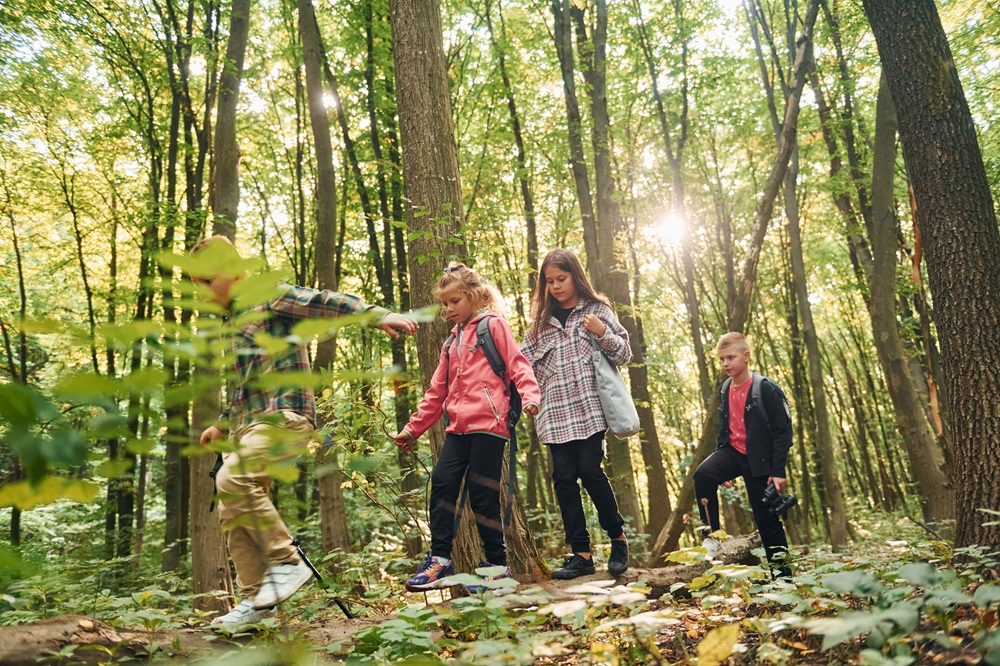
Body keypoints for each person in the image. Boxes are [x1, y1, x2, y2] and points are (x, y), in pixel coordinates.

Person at [191, 236, 417, 628]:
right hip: (246, 425)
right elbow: (245, 385)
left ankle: (287, 561)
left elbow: (324, 302)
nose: (203, 292)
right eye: (197, 284)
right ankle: (257, 604)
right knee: (231, 506)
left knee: (233, 478)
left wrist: (376, 314)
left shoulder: (268, 294)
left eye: (208, 281)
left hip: (285, 415)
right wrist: (221, 424)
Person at [392, 262, 540, 593]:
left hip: (489, 425)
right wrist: (412, 430)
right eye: (444, 304)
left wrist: (531, 396)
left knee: (482, 494)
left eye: (454, 301)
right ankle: (440, 560)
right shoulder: (451, 342)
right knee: (442, 482)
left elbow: (517, 364)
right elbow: (437, 392)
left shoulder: (493, 326)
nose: (448, 309)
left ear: (474, 296)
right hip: (457, 429)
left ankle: (497, 568)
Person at [520, 248, 632, 579]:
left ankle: (618, 538)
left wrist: (602, 332)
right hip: (554, 416)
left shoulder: (597, 310)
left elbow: (624, 354)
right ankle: (581, 554)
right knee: (564, 479)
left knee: (591, 471)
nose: (556, 286)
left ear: (575, 276)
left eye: (562, 278)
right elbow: (520, 366)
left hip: (590, 410)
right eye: (550, 281)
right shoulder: (539, 326)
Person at [692, 332, 793, 579]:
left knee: (767, 519)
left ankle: (783, 578)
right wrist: (721, 465)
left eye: (731, 357)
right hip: (732, 452)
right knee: (703, 475)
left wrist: (778, 471)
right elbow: (724, 426)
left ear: (746, 356)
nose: (725, 364)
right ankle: (712, 537)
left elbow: (783, 432)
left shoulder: (765, 388)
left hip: (760, 461)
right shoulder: (726, 388)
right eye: (722, 359)